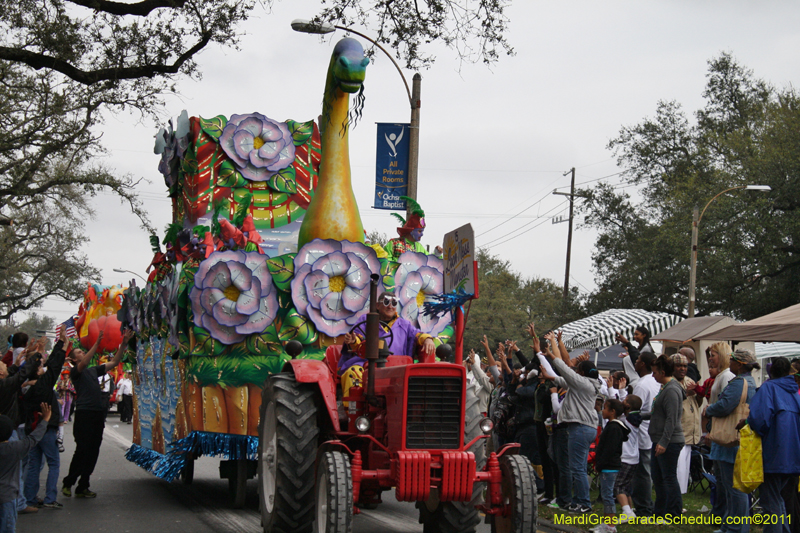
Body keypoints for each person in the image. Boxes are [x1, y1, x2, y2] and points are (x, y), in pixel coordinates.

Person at [62, 328, 133, 498]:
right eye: (79, 352)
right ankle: (68, 482)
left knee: (93, 450)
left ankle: (83, 486)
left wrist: (123, 344)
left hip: (97, 414)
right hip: (84, 414)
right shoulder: (75, 372)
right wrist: (96, 343)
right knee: (82, 449)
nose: (82, 352)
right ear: (73, 359)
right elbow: (84, 362)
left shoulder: (94, 371)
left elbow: (115, 362)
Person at [539, 330, 601, 514]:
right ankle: (579, 500)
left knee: (577, 468)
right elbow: (561, 379)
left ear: (581, 372)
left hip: (580, 427)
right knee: (578, 466)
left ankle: (584, 503)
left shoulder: (582, 383)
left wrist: (550, 353)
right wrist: (549, 376)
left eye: (578, 369)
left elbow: (565, 371)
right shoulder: (584, 384)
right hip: (583, 427)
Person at [339, 292, 435, 400]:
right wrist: (353, 340)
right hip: (367, 365)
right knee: (353, 372)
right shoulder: (366, 320)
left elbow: (418, 335)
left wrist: (428, 339)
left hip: (396, 368)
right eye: (386, 302)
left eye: (394, 303)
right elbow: (357, 338)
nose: (390, 306)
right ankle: (353, 413)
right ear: (377, 305)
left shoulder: (405, 325)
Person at [705, 349, 759, 533]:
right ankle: (732, 525)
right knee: (734, 486)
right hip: (740, 440)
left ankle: (736, 528)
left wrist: (709, 409)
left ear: (740, 364)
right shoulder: (751, 382)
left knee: (734, 487)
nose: (730, 363)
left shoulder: (739, 383)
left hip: (730, 441)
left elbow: (726, 405)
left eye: (732, 360)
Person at [745, 357, 800, 533]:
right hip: (792, 456)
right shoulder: (794, 391)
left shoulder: (769, 388)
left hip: (773, 453)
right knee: (778, 500)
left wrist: (748, 425)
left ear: (771, 372)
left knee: (771, 503)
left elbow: (759, 419)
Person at [21, 327, 69, 511]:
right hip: (45, 428)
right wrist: (62, 345)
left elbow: (53, 366)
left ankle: (30, 498)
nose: (43, 366)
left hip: (31, 429)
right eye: (40, 365)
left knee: (33, 464)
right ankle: (50, 497)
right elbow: (55, 366)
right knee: (54, 462)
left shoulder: (24, 385)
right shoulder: (42, 385)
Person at [0, 402, 51, 532]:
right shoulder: (15, 448)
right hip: (7, 497)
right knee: (7, 527)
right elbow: (34, 438)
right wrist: (45, 420)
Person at [649, 354, 685, 520]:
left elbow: (672, 419)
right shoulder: (665, 387)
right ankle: (660, 511)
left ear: (662, 372)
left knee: (668, 477)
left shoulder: (671, 390)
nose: (653, 376)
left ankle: (674, 512)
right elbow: (660, 413)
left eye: (655, 372)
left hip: (669, 441)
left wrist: (664, 442)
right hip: (659, 439)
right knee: (658, 478)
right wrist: (640, 416)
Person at [630, 351, 660, 517]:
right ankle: (647, 505)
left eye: (638, 360)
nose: (635, 362)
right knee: (647, 473)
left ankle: (644, 508)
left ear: (642, 364)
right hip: (651, 433)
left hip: (641, 434)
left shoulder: (642, 384)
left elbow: (635, 409)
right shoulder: (655, 382)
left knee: (642, 474)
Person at [593, 398, 629, 533]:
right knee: (605, 494)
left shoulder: (614, 428)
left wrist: (600, 464)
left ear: (612, 411)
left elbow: (609, 449)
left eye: (605, 408)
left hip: (609, 466)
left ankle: (611, 526)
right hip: (607, 465)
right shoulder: (612, 426)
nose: (602, 410)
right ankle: (606, 523)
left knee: (608, 496)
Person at [672, 353, 702, 494]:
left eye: (684, 366)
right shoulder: (669, 383)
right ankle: (676, 494)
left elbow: (698, 403)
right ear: (672, 367)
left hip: (691, 432)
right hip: (678, 431)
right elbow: (670, 404)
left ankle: (681, 494)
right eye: (679, 366)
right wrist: (686, 394)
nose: (682, 369)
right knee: (678, 466)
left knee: (684, 467)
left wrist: (700, 393)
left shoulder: (689, 380)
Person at [383, 197, 442, 261]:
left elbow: (430, 261)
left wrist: (437, 254)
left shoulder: (418, 247)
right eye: (419, 231)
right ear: (411, 231)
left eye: (422, 231)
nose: (422, 234)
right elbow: (384, 262)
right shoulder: (394, 243)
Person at [615, 394, 642, 523]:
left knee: (618, 486)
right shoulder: (635, 418)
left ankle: (627, 512)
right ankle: (629, 510)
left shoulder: (627, 419)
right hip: (634, 456)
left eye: (624, 401)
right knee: (625, 487)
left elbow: (618, 410)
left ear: (628, 406)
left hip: (625, 456)